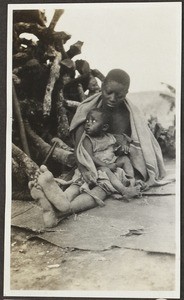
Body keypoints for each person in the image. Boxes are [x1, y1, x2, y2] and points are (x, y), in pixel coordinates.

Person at [29, 68, 166, 228]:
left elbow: (137, 139)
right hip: (88, 162)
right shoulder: (89, 110)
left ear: (126, 93)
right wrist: (84, 168)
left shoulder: (128, 113)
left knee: (84, 187)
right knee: (89, 190)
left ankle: (52, 205)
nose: (113, 98)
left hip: (111, 163)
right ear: (102, 87)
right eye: (109, 92)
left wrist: (125, 141)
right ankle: (59, 206)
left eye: (119, 95)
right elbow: (79, 147)